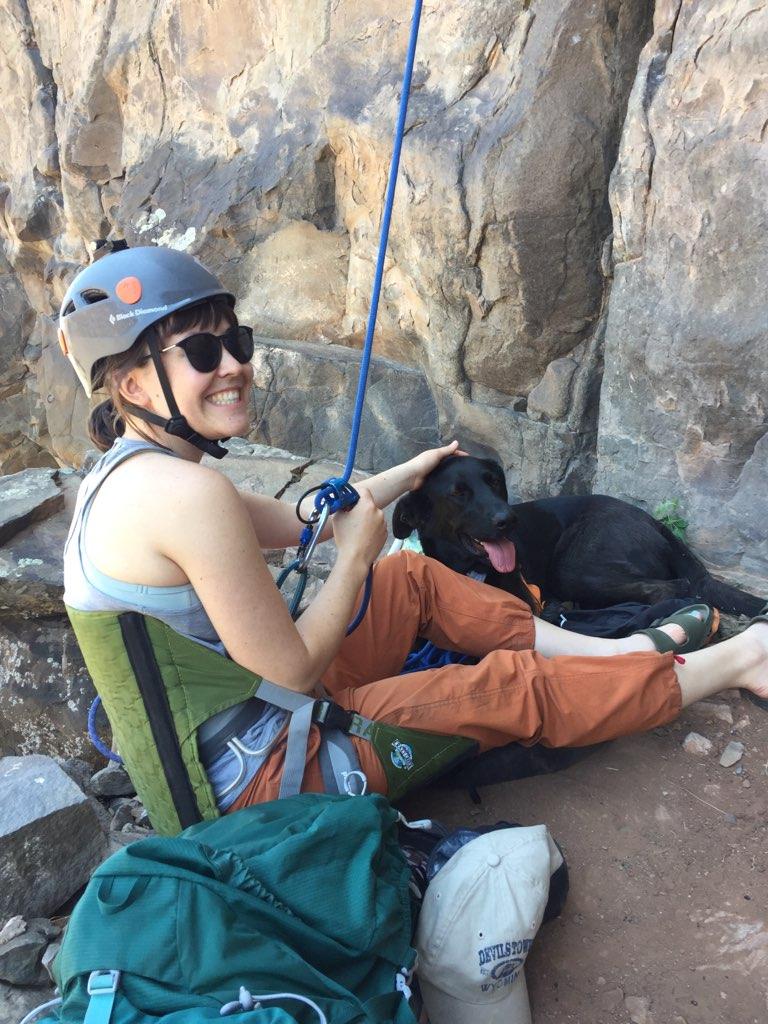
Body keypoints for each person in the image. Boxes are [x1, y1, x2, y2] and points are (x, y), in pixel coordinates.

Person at [60, 245, 768, 809]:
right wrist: (352, 564)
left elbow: (311, 517)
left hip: (233, 736)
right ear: (134, 385)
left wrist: (413, 471)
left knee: (410, 579)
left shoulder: (134, 477)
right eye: (204, 353)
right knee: (510, 689)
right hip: (265, 778)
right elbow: (292, 669)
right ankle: (740, 660)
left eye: (236, 341)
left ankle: (609, 655)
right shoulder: (186, 495)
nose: (236, 365)